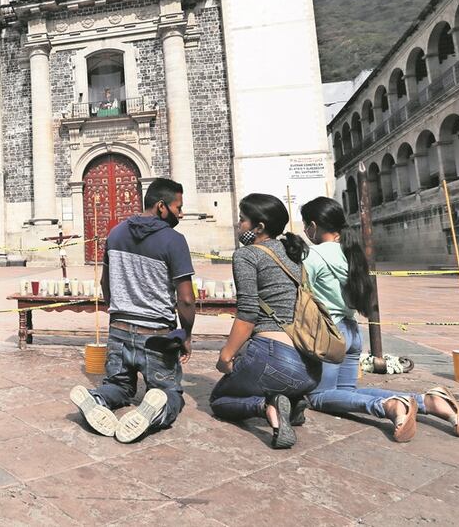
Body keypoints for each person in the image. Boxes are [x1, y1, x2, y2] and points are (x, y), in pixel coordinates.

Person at [300, 196, 459, 440]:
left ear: (313, 226)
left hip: (328, 333)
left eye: (306, 224)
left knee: (317, 396)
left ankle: (389, 406)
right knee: (346, 391)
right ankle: (428, 402)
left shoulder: (313, 255)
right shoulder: (352, 251)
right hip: (351, 331)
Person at [69, 177, 195, 443]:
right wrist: (187, 334)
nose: (181, 214)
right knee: (170, 392)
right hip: (156, 335)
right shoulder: (174, 240)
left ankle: (96, 399)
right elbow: (185, 299)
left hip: (119, 329)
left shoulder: (115, 233)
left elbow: (105, 283)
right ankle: (155, 410)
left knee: (119, 386)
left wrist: (117, 313)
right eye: (178, 207)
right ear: (162, 206)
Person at [210, 193, 318, 449]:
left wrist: (225, 357)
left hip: (276, 357)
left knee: (218, 400)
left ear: (259, 227)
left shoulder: (247, 255)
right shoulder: (293, 254)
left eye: (242, 219)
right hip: (311, 368)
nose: (239, 225)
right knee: (261, 374)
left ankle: (267, 407)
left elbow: (247, 314)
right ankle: (291, 401)